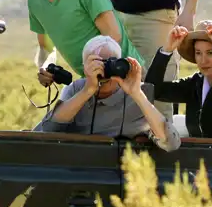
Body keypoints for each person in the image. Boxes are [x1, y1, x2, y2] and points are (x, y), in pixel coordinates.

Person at [34, 35, 181, 152]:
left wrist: (137, 94)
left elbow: (170, 143)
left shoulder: (138, 92)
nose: (103, 71)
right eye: (97, 63)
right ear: (85, 68)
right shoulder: (76, 90)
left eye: (110, 63)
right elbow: (47, 131)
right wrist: (88, 90)